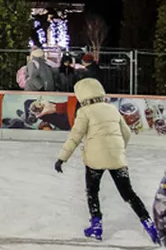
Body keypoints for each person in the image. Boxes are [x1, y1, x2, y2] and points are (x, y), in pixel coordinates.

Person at [54, 78, 158, 244]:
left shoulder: (85, 112)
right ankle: (150, 225)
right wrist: (118, 150)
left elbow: (75, 136)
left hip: (95, 159)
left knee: (92, 191)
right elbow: (127, 133)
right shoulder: (112, 109)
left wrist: (62, 158)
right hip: (117, 159)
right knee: (129, 194)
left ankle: (96, 227)